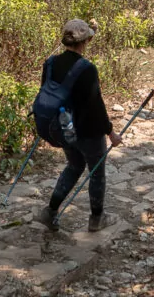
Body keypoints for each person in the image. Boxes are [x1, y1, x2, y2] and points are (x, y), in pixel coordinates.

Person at [36, 20, 122, 232]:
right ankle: (96, 219)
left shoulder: (50, 63)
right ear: (86, 40)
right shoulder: (87, 69)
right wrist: (111, 132)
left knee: (74, 166)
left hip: (64, 129)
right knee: (96, 173)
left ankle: (51, 210)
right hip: (88, 132)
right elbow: (96, 106)